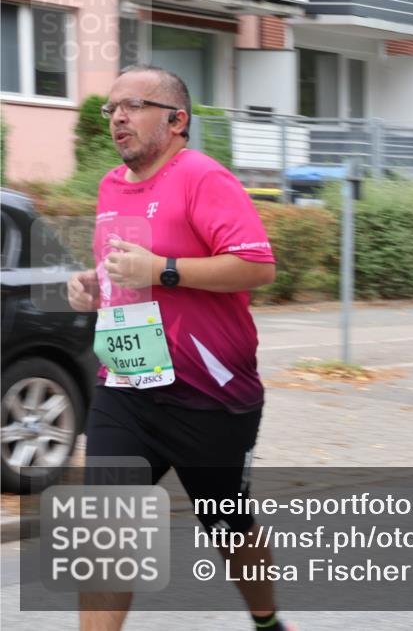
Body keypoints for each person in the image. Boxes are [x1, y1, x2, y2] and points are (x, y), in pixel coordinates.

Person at [67, 65, 294, 631]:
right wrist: (94, 284)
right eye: (112, 107)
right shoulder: (110, 185)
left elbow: (256, 267)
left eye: (134, 105)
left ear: (176, 121)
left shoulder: (204, 178)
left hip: (209, 394)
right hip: (126, 384)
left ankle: (267, 622)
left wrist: (163, 269)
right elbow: (125, 269)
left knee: (228, 526)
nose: (117, 116)